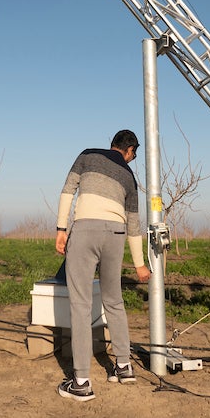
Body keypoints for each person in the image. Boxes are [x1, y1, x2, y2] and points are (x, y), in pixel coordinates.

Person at [54, 129, 151, 402]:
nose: (132, 159)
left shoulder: (87, 155)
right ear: (129, 150)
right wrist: (139, 265)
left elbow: (67, 190)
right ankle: (123, 366)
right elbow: (134, 225)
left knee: (81, 305)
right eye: (134, 154)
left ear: (112, 144)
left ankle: (81, 382)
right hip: (116, 235)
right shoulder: (130, 177)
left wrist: (62, 228)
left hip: (85, 230)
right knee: (114, 301)